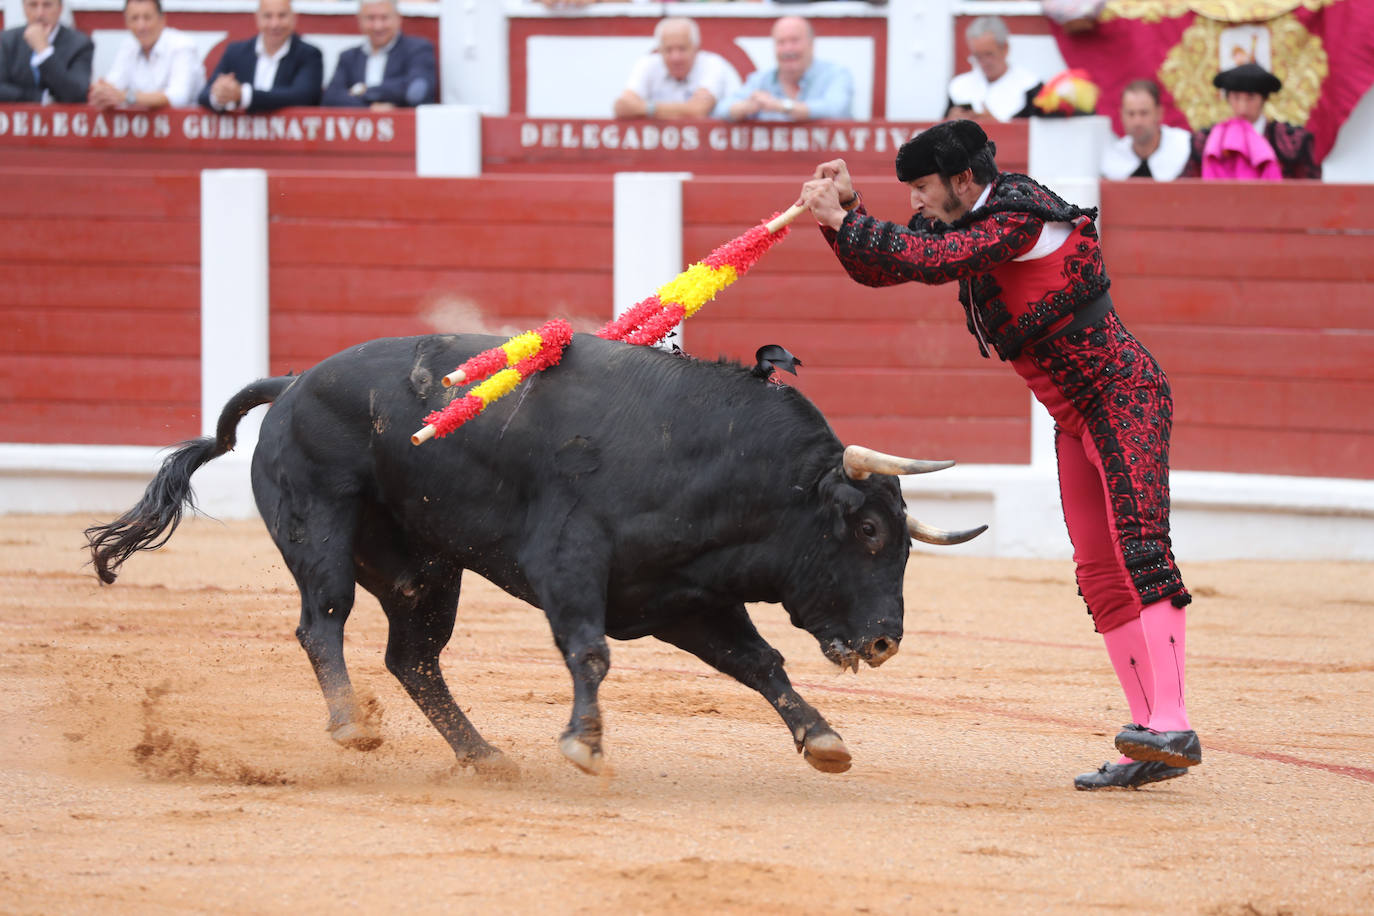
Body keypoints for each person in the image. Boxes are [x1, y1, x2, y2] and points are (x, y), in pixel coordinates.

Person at [796, 120, 1201, 791]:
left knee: (1142, 552)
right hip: (1076, 419)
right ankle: (1152, 739)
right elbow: (887, 265)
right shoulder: (970, 224)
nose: (918, 202)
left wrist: (846, 218)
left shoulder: (1016, 214)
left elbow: (931, 260)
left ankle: (1173, 722)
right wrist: (846, 216)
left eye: (923, 188)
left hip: (1123, 398)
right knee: (1100, 574)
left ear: (962, 180)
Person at [1183, 62, 1320, 180]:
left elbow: (1311, 192)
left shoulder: (1291, 141)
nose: (1243, 107)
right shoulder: (1206, 141)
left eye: (1251, 97)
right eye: (1236, 97)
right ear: (1228, 99)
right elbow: (1187, 191)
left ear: (1264, 99)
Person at [714, 16, 853, 122]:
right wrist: (748, 106)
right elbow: (721, 109)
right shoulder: (761, 79)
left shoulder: (835, 74)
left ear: (811, 44)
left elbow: (836, 109)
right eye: (781, 42)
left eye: (794, 41)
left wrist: (781, 106)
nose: (788, 49)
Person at [198, 0, 322, 112]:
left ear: (294, 18)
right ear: (257, 19)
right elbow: (204, 94)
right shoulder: (235, 52)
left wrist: (243, 95)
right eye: (268, 16)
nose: (275, 24)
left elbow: (304, 96)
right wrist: (221, 94)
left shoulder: (309, 54)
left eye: (282, 16)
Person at [612, 17, 739, 120]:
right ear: (659, 50)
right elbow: (622, 106)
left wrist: (647, 108)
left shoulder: (712, 64)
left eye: (682, 49)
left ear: (696, 49)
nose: (675, 57)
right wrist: (683, 109)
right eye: (668, 50)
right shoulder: (647, 63)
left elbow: (699, 110)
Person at [87, 0, 205, 111]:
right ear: (127, 23)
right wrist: (103, 91)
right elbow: (114, 85)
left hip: (182, 129)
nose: (141, 26)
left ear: (162, 20)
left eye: (147, 18)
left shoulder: (182, 45)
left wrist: (128, 97)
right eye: (134, 18)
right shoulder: (129, 47)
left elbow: (178, 97)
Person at [322, 0, 435, 109]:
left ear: (398, 18)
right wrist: (369, 108)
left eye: (384, 18)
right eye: (371, 18)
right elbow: (331, 97)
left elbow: (416, 89)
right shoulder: (349, 57)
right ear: (359, 21)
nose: (378, 26)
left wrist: (364, 91)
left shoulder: (418, 49)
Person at [946, 16, 1041, 122]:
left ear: (1005, 48)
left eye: (989, 54)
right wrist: (950, 122)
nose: (984, 63)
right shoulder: (959, 87)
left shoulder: (1030, 87)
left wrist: (996, 125)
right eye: (978, 56)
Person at [0, 0, 92, 104]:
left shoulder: (80, 44)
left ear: (60, 9)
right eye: (33, 5)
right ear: (24, 8)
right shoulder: (7, 40)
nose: (40, 14)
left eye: (47, 5)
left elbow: (77, 94)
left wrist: (43, 51)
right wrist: (39, 97)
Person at [1100, 79, 1191, 181]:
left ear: (1159, 113)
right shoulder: (1112, 159)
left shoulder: (1185, 147)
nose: (1137, 122)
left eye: (1144, 113)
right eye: (1131, 114)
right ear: (1121, 115)